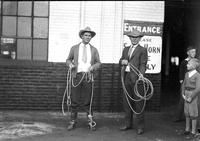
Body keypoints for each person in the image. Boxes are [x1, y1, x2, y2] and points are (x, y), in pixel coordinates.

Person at [66, 26, 101, 131]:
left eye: (89, 36)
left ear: (91, 37)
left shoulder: (94, 50)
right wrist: (70, 65)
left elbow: (99, 63)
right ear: (82, 36)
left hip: (88, 77)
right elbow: (68, 60)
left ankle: (90, 122)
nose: (87, 37)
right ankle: (72, 122)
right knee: (74, 100)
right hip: (76, 76)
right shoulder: (74, 48)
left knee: (88, 100)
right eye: (85, 35)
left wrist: (93, 67)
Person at [119, 29, 148, 135]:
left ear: (139, 38)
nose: (134, 39)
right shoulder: (126, 49)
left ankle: (140, 126)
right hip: (126, 78)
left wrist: (141, 75)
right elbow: (121, 60)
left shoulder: (142, 50)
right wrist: (122, 61)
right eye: (132, 37)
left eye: (136, 37)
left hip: (137, 80)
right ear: (130, 38)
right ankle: (128, 124)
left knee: (139, 103)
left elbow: (143, 64)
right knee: (127, 102)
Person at [174, 46, 196, 122]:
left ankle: (192, 118)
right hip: (185, 83)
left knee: (194, 100)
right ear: (188, 53)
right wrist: (181, 80)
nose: (194, 53)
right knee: (182, 99)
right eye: (192, 52)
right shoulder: (184, 62)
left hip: (194, 83)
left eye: (194, 52)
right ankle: (177, 117)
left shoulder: (196, 61)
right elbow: (181, 71)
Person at [181, 58, 200, 139]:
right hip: (186, 93)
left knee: (193, 113)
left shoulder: (197, 75)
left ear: (193, 65)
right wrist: (182, 93)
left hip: (193, 95)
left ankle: (193, 131)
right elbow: (184, 84)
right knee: (187, 112)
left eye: (188, 64)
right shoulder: (186, 74)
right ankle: (187, 129)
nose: (187, 65)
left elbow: (198, 88)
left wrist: (191, 97)